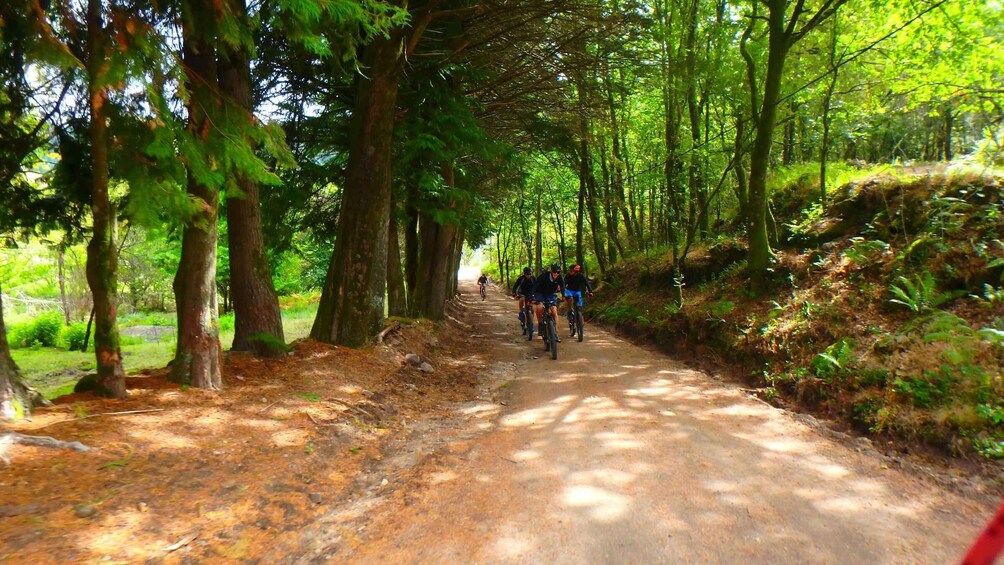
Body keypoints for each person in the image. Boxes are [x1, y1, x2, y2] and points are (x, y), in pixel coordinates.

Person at [533, 264, 564, 342]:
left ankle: (556, 334)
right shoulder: (543, 276)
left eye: (558, 272)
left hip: (550, 294)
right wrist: (531, 296)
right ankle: (540, 324)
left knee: (554, 310)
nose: (556, 274)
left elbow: (562, 287)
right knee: (539, 307)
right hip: (539, 293)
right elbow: (535, 286)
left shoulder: (559, 278)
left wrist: (564, 296)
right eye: (554, 272)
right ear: (551, 271)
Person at [563, 264, 593, 336]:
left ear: (575, 271)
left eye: (571, 271)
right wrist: (563, 292)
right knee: (569, 298)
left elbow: (586, 283)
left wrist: (590, 291)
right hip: (569, 290)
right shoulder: (567, 276)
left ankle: (579, 317)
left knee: (579, 306)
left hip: (577, 291)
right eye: (569, 270)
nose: (569, 272)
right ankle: (569, 310)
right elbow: (563, 284)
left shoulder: (580, 275)